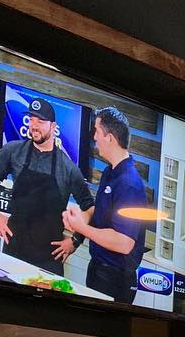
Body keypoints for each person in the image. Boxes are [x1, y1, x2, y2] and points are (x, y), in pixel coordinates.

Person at [0, 96, 94, 274]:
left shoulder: (68, 168)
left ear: (54, 127)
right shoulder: (14, 151)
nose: (34, 125)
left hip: (48, 258)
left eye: (41, 121)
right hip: (14, 248)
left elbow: (89, 207)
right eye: (32, 119)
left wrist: (75, 242)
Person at [62, 106, 149, 303]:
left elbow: (124, 242)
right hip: (98, 268)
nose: (94, 137)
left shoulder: (129, 183)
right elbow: (99, 213)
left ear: (109, 138)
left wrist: (82, 228)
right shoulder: (110, 171)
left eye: (97, 131)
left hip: (115, 279)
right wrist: (79, 217)